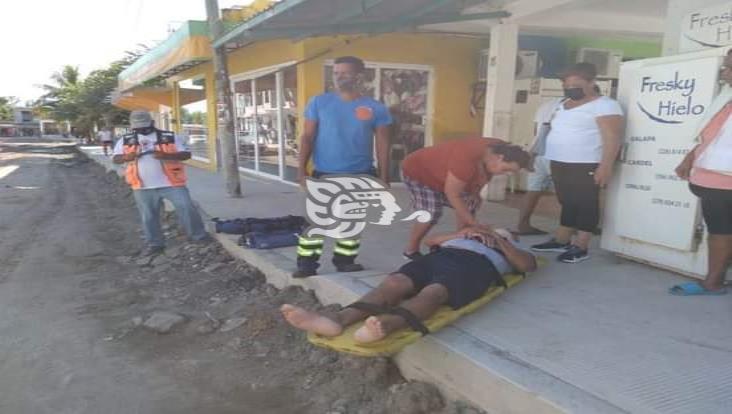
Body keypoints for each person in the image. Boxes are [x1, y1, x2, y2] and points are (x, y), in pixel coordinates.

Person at [281, 227, 536, 343]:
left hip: (474, 268)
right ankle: (338, 319)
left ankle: (387, 325)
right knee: (395, 282)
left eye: (506, 234)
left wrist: (500, 241)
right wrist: (462, 233)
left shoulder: (510, 251)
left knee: (434, 293)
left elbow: (527, 266)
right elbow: (432, 241)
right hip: (438, 258)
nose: (494, 233)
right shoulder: (462, 238)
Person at [294, 56, 392, 278]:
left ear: (359, 76)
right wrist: (301, 171)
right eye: (336, 73)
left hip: (361, 174)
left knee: (352, 221)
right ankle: (306, 265)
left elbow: (383, 144)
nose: (339, 77)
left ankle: (345, 261)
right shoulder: (319, 102)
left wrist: (385, 178)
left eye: (345, 73)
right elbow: (307, 137)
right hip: (324, 173)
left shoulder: (375, 108)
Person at [531, 63, 624, 263]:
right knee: (567, 201)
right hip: (559, 160)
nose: (571, 88)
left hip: (586, 162)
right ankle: (562, 239)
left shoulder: (605, 105)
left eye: (577, 84)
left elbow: (612, 137)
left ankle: (581, 246)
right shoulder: (562, 104)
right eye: (567, 84)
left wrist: (605, 165)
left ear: (591, 82)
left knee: (586, 203)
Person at [401, 138, 531, 260]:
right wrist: (473, 222)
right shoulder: (465, 159)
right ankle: (411, 250)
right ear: (499, 158)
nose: (506, 174)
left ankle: (460, 243)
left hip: (445, 175)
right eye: (506, 169)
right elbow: (453, 193)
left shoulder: (502, 149)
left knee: (470, 203)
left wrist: (475, 193)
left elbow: (485, 172)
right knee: (431, 211)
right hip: (418, 171)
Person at [670, 49, 732, 296]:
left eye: (729, 67)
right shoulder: (726, 95)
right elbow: (708, 134)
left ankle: (713, 282)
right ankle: (713, 281)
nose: (725, 72)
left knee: (720, 232)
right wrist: (689, 157)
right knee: (719, 231)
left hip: (723, 179)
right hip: (711, 178)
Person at [112, 110, 208, 256]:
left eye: (144, 126)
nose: (142, 130)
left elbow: (186, 154)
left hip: (172, 183)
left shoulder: (169, 137)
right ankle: (156, 244)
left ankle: (198, 237)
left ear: (152, 122)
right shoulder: (126, 140)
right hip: (142, 186)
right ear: (132, 126)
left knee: (187, 207)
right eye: (137, 127)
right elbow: (115, 159)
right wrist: (126, 157)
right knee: (149, 216)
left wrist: (166, 155)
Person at [516, 97, 564, 235]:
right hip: (559, 155)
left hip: (538, 153)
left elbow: (536, 132)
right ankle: (570, 228)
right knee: (566, 194)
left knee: (532, 191)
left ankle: (523, 225)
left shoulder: (546, 105)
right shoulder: (572, 106)